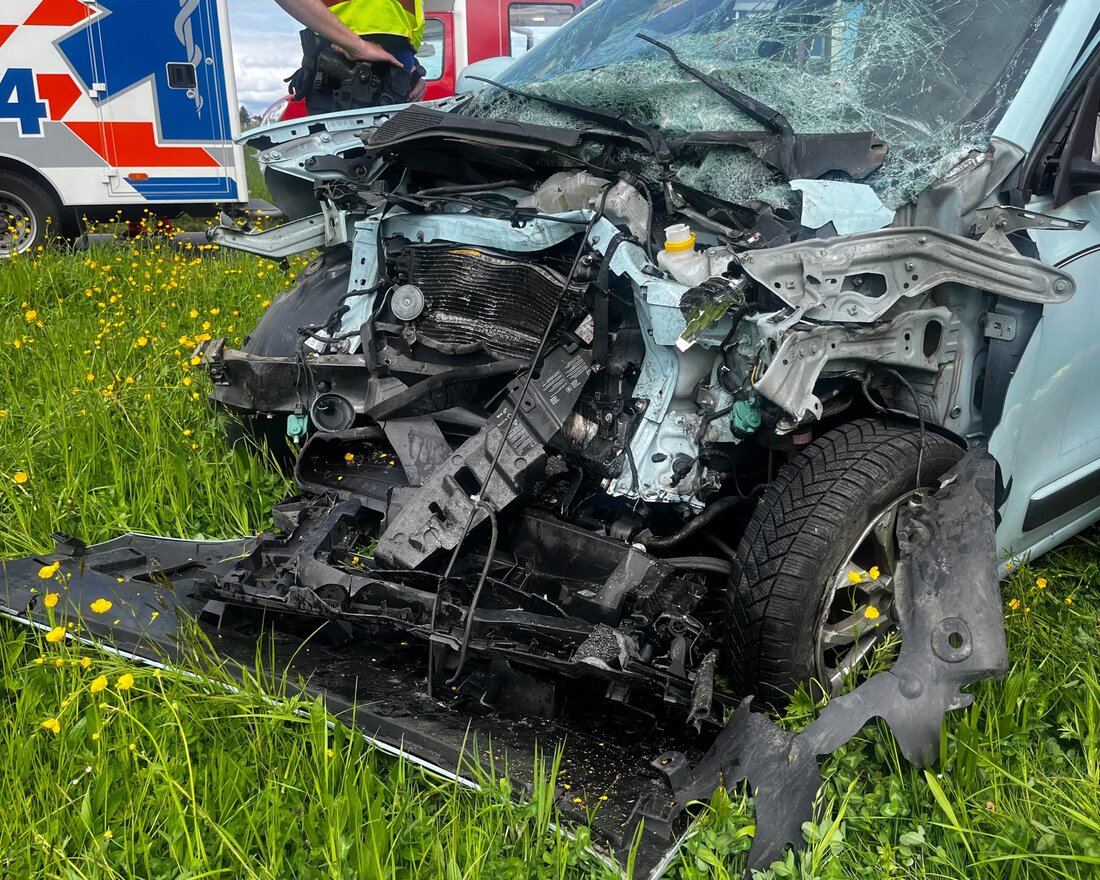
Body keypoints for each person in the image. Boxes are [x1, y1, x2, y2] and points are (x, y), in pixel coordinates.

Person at [274, 0, 427, 114]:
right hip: (346, 80)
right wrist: (355, 46)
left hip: (392, 82)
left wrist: (410, 66)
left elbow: (395, 20)